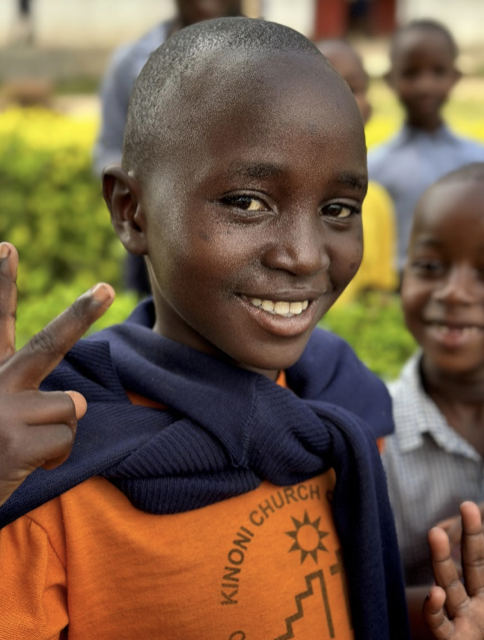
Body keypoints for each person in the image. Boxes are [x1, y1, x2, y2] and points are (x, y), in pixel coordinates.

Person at [0, 18, 483, 640]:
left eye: (338, 209)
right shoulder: (49, 466)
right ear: (132, 211)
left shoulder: (342, 408)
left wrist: (441, 617)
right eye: (248, 202)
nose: (304, 255)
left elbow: (331, 606)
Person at [382, 163, 484, 637]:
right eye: (429, 266)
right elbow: (346, 601)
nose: (455, 292)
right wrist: (457, 598)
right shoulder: (372, 436)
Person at [93, 0, 243, 295]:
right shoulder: (132, 62)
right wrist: (149, 195)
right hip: (157, 240)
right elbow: (110, 148)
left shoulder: (282, 61)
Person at [368, 19, 484, 273]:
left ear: (455, 77)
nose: (425, 86)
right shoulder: (374, 166)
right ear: (389, 79)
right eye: (411, 73)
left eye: (438, 72)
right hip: (396, 286)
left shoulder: (477, 160)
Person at [316, 39, 398, 306]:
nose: (338, 99)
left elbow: (379, 295)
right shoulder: (273, 194)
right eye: (322, 87)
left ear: (368, 108)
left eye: (352, 89)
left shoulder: (377, 201)